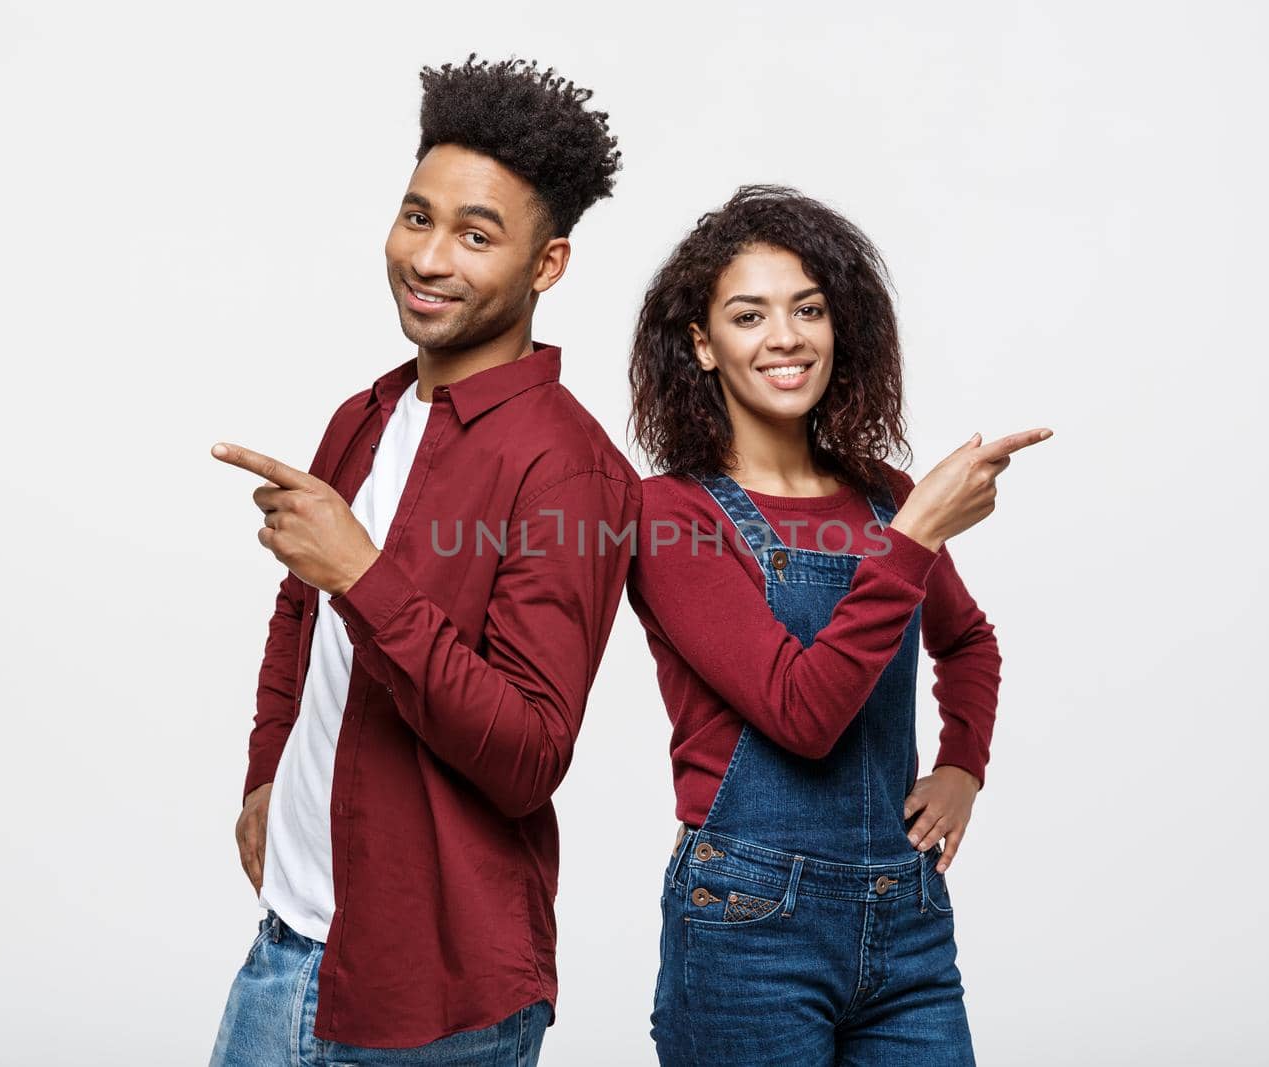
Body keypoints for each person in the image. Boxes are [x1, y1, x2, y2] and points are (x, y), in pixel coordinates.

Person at [205, 55, 638, 1065]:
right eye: (416, 217)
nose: (430, 258)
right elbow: (296, 617)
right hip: (287, 950)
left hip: (437, 1002)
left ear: (547, 265)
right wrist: (267, 770)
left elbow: (529, 753)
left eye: (475, 234)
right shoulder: (362, 415)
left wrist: (364, 574)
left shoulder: (570, 470)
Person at [626, 184, 1051, 1065]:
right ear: (702, 345)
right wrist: (917, 536)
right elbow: (801, 712)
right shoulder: (670, 517)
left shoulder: (882, 499)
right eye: (749, 315)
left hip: (908, 920)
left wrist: (964, 763)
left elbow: (967, 640)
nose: (786, 336)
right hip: (748, 923)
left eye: (808, 309)